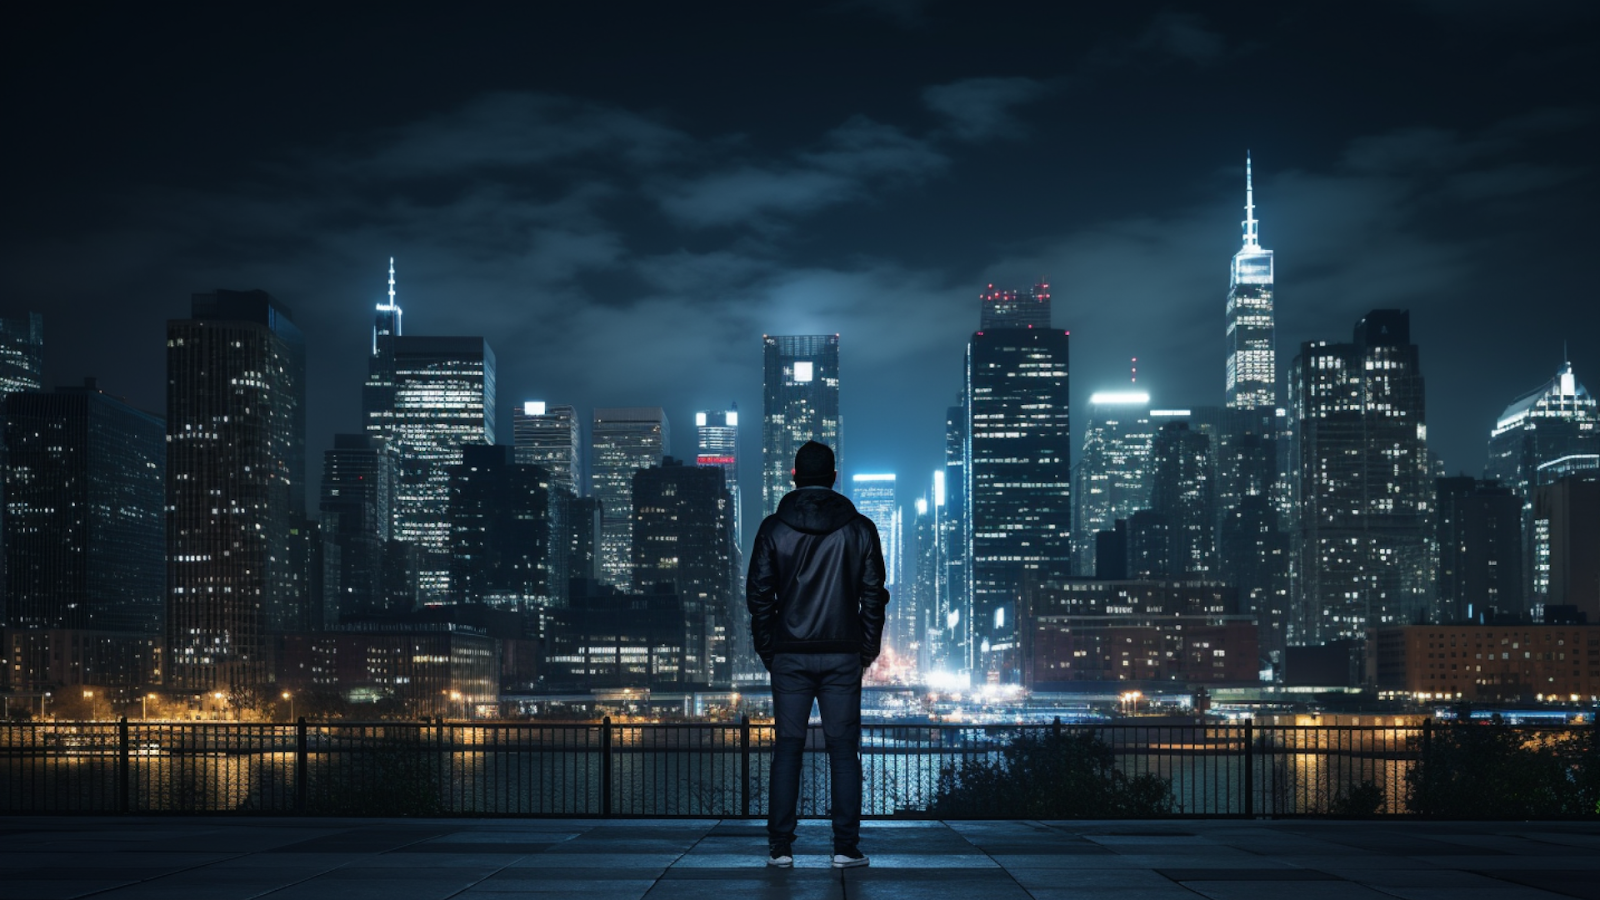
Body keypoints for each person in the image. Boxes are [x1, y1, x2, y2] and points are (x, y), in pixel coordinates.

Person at [747, 440, 888, 869]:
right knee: (844, 750)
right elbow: (874, 596)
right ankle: (845, 848)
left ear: (794, 476)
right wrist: (866, 647)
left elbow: (758, 596)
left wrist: (770, 648)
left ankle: (781, 849)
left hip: (789, 655)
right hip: (842, 654)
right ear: (833, 477)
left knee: (787, 747)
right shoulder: (860, 528)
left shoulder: (773, 528)